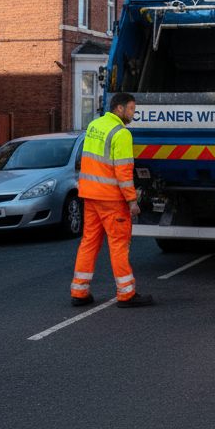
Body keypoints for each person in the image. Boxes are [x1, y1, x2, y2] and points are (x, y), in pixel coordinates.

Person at [71, 91, 154, 308]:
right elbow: (124, 172)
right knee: (119, 245)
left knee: (89, 242)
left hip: (90, 195)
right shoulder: (121, 134)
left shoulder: (94, 126)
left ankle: (79, 291)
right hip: (111, 199)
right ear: (120, 108)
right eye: (132, 109)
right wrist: (132, 201)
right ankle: (126, 294)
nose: (133, 114)